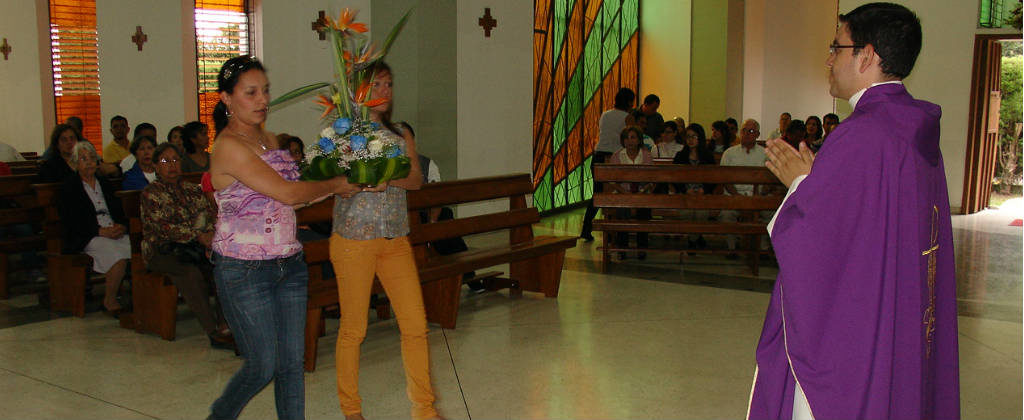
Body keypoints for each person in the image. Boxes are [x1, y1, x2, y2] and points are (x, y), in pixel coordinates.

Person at [748, 4, 959, 419]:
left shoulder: (862, 135)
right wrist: (820, 183)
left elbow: (819, 239)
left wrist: (800, 184)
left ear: (866, 56)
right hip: (898, 301)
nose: (829, 59)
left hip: (857, 326)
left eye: (836, 47)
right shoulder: (912, 126)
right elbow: (869, 221)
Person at [206, 55, 357, 420]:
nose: (262, 100)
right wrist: (337, 184)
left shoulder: (269, 139)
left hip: (289, 263)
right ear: (226, 98)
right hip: (244, 270)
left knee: (292, 363)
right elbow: (288, 193)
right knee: (263, 365)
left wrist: (340, 176)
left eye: (265, 91)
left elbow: (296, 196)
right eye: (251, 92)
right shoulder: (228, 146)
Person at [329, 62, 442, 420]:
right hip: (354, 240)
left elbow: (416, 180)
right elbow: (332, 184)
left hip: (394, 239)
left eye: (389, 84)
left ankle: (424, 410)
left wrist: (386, 178)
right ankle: (351, 411)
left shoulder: (400, 132)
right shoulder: (343, 132)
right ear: (358, 91)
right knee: (354, 329)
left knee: (415, 325)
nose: (385, 91)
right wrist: (360, 181)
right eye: (376, 84)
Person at [141, 143, 233, 350]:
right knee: (190, 273)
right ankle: (212, 331)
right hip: (162, 250)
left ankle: (225, 324)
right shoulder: (150, 193)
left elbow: (209, 216)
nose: (172, 165)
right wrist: (197, 235)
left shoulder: (192, 190)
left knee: (223, 266)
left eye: (175, 160)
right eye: (165, 161)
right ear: (156, 166)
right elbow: (162, 227)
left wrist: (210, 235)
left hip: (194, 247)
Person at [58, 142, 130, 315]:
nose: (89, 162)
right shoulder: (69, 187)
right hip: (87, 235)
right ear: (75, 164)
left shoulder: (104, 183)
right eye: (83, 159)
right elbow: (72, 221)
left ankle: (142, 298)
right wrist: (99, 231)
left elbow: (118, 210)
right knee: (117, 256)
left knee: (136, 248)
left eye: (92, 158)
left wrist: (121, 226)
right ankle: (109, 301)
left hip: (111, 230)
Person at [580, 87, 635, 242]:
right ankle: (614, 231)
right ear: (629, 102)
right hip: (614, 158)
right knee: (616, 193)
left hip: (598, 156)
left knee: (598, 194)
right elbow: (629, 137)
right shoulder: (628, 117)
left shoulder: (605, 114)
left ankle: (586, 228)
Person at [719, 119, 767, 255]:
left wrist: (757, 197)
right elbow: (725, 179)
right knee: (726, 215)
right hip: (734, 196)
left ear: (757, 134)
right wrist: (738, 197)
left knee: (772, 213)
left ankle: (762, 248)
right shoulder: (729, 153)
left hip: (758, 197)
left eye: (751, 131)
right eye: (744, 130)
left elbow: (769, 180)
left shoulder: (765, 154)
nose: (746, 134)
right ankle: (732, 248)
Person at [608, 126, 653, 260]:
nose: (629, 141)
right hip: (622, 193)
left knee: (644, 210)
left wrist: (640, 193)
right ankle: (622, 247)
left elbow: (651, 179)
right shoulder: (617, 156)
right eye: (626, 138)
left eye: (633, 137)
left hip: (642, 193)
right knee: (622, 210)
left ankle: (642, 247)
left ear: (639, 140)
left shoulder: (646, 155)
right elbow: (612, 180)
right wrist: (626, 194)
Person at [673, 123, 716, 250]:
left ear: (700, 138)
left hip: (703, 195)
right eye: (688, 136)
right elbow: (675, 178)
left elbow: (713, 178)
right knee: (687, 212)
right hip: (685, 194)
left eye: (694, 136)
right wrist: (686, 190)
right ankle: (696, 238)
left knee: (701, 213)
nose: (690, 140)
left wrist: (704, 190)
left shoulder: (708, 156)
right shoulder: (680, 156)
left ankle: (692, 240)